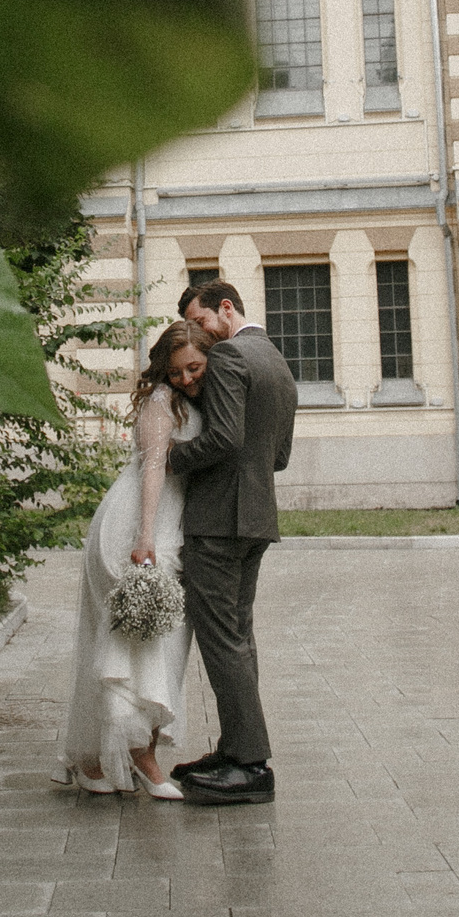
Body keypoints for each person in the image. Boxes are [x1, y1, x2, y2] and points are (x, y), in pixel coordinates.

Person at [56, 320, 209, 798]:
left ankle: (91, 757)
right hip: (136, 526)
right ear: (163, 370)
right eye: (177, 370)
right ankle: (140, 756)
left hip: (163, 524)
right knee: (138, 642)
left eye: (195, 368)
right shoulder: (161, 403)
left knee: (145, 641)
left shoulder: (192, 400)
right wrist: (144, 537)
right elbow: (153, 470)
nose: (186, 378)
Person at [165, 280, 299, 805]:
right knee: (238, 638)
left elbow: (223, 438)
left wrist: (168, 458)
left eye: (199, 322)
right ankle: (237, 749)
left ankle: (249, 767)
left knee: (222, 641)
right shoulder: (277, 362)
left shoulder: (227, 358)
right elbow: (279, 456)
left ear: (226, 309)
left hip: (218, 521)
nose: (196, 336)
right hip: (257, 518)